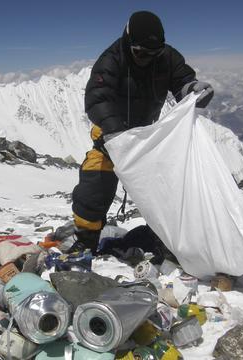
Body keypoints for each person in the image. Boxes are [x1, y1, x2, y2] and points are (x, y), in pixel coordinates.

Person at [65, 10, 214, 252]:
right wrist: (114, 133)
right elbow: (97, 99)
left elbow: (182, 80)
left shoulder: (167, 57)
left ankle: (167, 240)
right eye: (140, 52)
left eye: (152, 53)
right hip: (111, 138)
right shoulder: (111, 60)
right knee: (94, 185)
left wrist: (193, 90)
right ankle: (85, 241)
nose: (146, 58)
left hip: (147, 138)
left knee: (168, 188)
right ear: (127, 41)